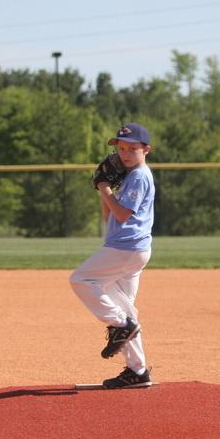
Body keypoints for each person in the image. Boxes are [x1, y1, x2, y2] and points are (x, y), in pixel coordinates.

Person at [69, 123, 155, 388]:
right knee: (127, 309)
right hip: (132, 248)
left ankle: (118, 325)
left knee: (81, 280)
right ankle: (137, 371)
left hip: (125, 248)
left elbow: (121, 214)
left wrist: (105, 187)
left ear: (146, 150)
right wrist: (103, 189)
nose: (125, 153)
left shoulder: (139, 176)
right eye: (121, 148)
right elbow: (108, 214)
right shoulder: (129, 177)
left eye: (132, 148)